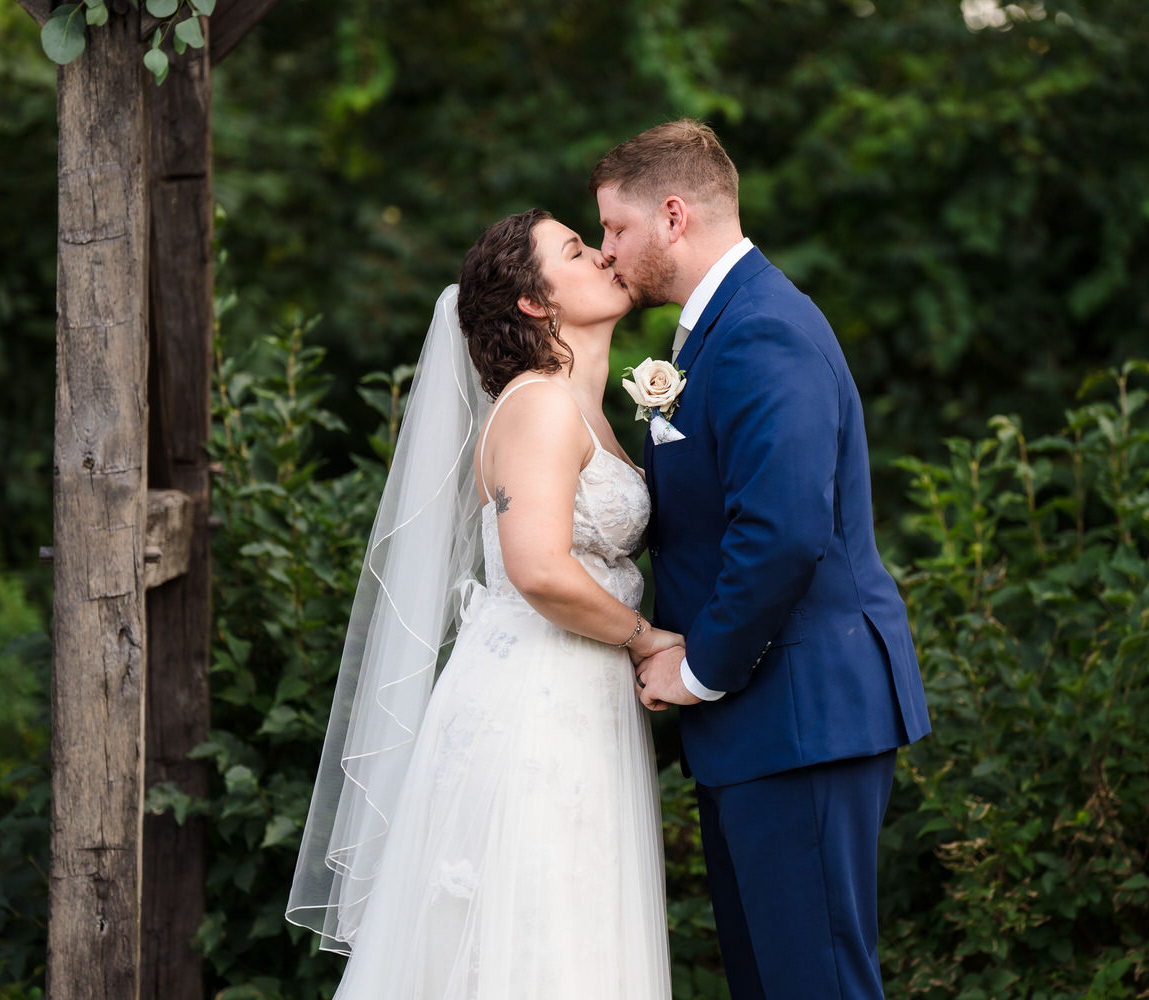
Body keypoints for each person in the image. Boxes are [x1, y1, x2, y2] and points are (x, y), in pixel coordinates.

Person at [285, 209, 673, 999]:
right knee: (528, 931)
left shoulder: (583, 407)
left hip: (577, 697)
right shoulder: (537, 404)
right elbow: (537, 568)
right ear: (535, 303)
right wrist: (645, 637)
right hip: (533, 700)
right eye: (575, 249)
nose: (602, 255)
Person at [591, 120, 933, 1000]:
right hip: (765, 724)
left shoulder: (762, 329)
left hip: (799, 718)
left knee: (814, 985)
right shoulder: (715, 329)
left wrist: (698, 667)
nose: (607, 252)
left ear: (672, 216)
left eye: (615, 229)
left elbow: (781, 531)